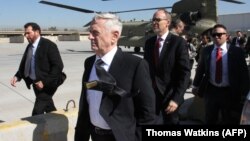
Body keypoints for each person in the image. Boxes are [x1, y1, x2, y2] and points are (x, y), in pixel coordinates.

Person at [75, 13, 156, 141]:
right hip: (94, 135)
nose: (90, 37)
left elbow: (148, 112)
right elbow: (86, 102)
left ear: (115, 36)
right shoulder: (89, 63)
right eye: (90, 32)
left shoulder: (135, 65)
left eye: (95, 33)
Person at [192, 24, 250, 124]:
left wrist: (244, 93)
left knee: (229, 119)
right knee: (210, 118)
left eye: (219, 34)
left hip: (230, 92)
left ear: (226, 36)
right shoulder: (206, 51)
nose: (216, 37)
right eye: (214, 35)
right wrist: (195, 85)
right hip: (211, 91)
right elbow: (200, 69)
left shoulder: (236, 51)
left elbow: (243, 73)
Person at [144, 9, 190, 125]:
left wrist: (176, 99)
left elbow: (184, 73)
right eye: (153, 20)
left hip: (170, 97)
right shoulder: (149, 43)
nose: (154, 22)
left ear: (167, 22)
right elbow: (145, 69)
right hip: (151, 97)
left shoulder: (178, 42)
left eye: (158, 20)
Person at [10, 22, 64, 116]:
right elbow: (26, 64)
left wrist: (45, 82)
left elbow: (58, 66)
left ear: (37, 32)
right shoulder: (30, 46)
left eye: (28, 33)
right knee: (48, 106)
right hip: (36, 83)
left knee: (37, 111)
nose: (26, 36)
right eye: (25, 33)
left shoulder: (49, 45)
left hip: (48, 83)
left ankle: (34, 125)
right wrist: (17, 76)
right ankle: (56, 122)